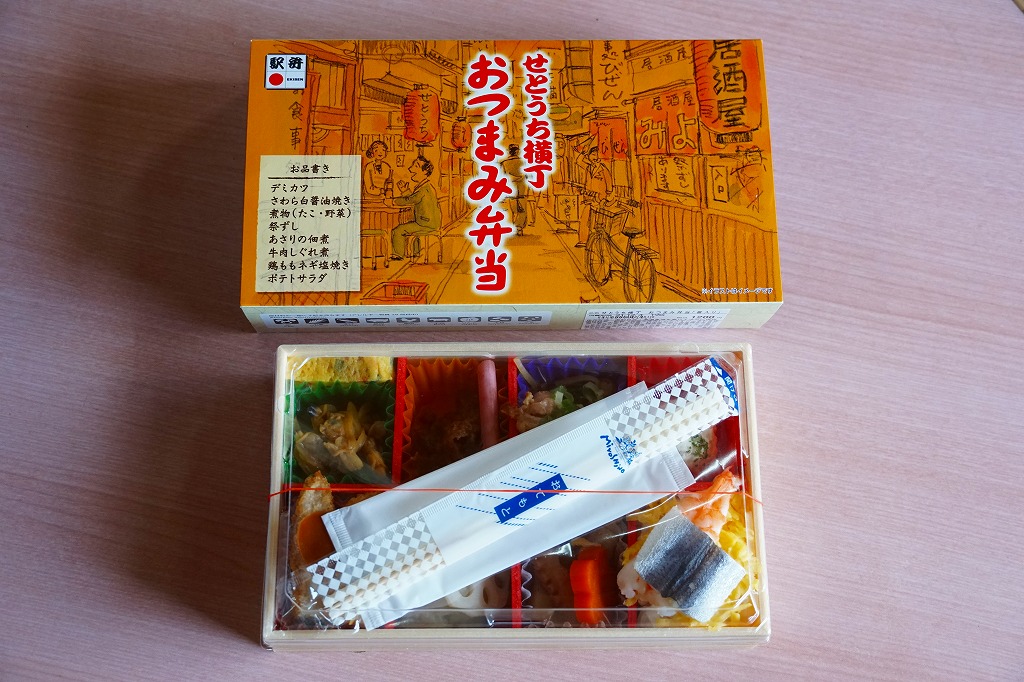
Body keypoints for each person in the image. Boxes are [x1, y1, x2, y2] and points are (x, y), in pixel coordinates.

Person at [389, 155, 441, 260]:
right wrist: (405, 191)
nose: (410, 169)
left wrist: (393, 201)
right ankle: (415, 252)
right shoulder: (425, 186)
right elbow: (414, 198)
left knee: (398, 231)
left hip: (426, 223)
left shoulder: (424, 189)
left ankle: (398, 255)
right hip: (429, 222)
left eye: (416, 166)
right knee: (411, 225)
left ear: (424, 171)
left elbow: (411, 200)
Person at [501, 144, 528, 234]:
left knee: (513, 210)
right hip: (521, 189)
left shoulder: (504, 163)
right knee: (522, 209)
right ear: (517, 151)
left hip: (511, 190)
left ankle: (513, 226)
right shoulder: (523, 162)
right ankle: (519, 227)